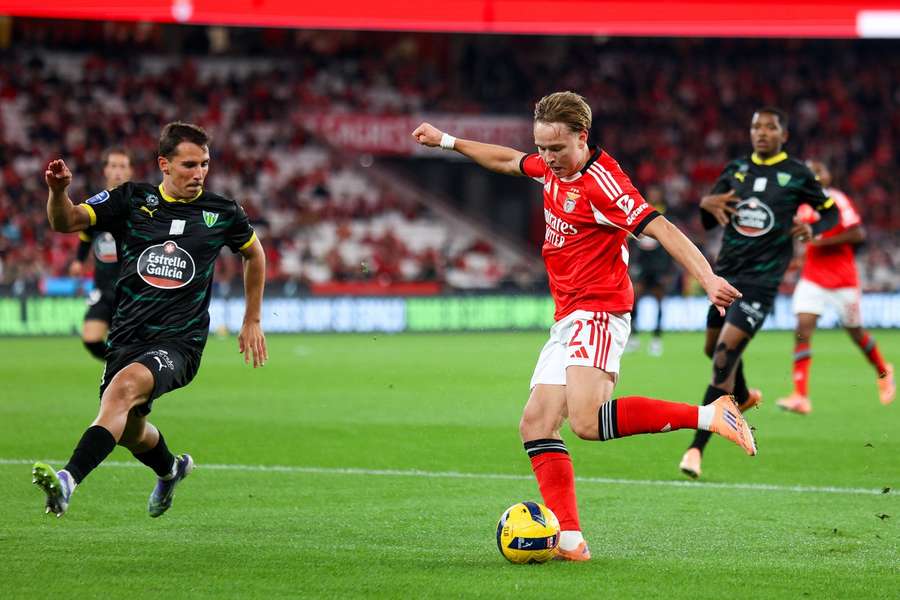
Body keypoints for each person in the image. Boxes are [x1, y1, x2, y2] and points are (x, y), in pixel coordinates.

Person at [412, 91, 756, 563]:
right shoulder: (554, 168)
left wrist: (708, 277)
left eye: (557, 148)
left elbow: (661, 227)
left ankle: (712, 414)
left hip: (599, 310)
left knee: (588, 422)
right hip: (567, 316)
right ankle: (570, 540)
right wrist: (448, 141)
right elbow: (507, 160)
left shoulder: (603, 184)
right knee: (535, 424)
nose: (548, 158)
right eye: (543, 148)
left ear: (582, 137)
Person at [33, 122, 268, 518]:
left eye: (205, 164)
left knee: (122, 391)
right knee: (127, 428)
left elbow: (254, 253)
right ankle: (171, 469)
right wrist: (58, 191)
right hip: (127, 336)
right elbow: (65, 221)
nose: (199, 174)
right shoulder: (131, 199)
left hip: (180, 343)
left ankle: (67, 481)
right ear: (164, 164)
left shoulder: (221, 212)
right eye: (190, 165)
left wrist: (253, 318)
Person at [678, 108, 839, 480]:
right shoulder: (735, 170)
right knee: (712, 349)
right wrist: (705, 204)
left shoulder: (798, 174)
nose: (762, 133)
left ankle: (695, 449)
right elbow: (708, 219)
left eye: (770, 127)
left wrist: (814, 229)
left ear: (783, 135)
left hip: (762, 282)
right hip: (726, 276)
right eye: (756, 127)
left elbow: (828, 212)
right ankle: (745, 394)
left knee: (722, 356)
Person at [776, 160, 894, 413]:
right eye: (810, 172)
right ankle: (800, 395)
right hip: (812, 279)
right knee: (802, 328)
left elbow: (858, 234)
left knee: (855, 332)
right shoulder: (803, 205)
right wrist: (797, 259)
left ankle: (884, 371)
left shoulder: (838, 201)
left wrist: (820, 243)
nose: (815, 176)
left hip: (843, 280)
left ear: (830, 176)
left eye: (820, 170)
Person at [69, 148, 133, 360]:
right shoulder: (95, 205)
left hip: (130, 289)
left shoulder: (138, 205)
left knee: (126, 339)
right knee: (91, 338)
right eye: (113, 166)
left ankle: (127, 369)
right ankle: (120, 364)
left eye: (122, 166)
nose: (117, 171)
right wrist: (79, 260)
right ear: (105, 170)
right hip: (102, 287)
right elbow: (86, 235)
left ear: (130, 171)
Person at [627, 186, 675, 356]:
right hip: (642, 266)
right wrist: (632, 263)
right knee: (634, 302)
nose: (654, 194)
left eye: (656, 192)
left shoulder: (665, 216)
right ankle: (633, 337)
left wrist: (668, 270)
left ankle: (656, 339)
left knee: (659, 303)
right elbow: (632, 238)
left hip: (658, 267)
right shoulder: (640, 211)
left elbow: (671, 242)